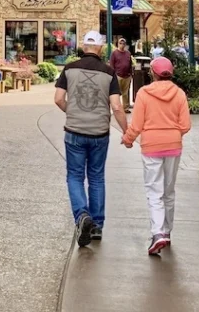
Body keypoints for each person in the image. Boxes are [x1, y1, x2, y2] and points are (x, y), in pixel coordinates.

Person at [54, 30, 129, 248]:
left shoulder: (69, 69)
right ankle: (96, 225)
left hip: (74, 131)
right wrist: (127, 131)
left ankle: (81, 216)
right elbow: (116, 106)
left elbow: (58, 99)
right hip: (99, 133)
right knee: (96, 178)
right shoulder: (108, 72)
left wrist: (73, 111)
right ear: (100, 48)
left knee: (75, 177)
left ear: (84, 46)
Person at [122, 56, 191, 256]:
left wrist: (128, 139)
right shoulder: (179, 94)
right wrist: (173, 133)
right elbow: (185, 125)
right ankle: (167, 232)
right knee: (169, 191)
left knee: (154, 192)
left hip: (151, 146)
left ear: (152, 73)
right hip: (173, 146)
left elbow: (136, 124)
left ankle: (157, 233)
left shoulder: (143, 93)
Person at [110, 37, 134, 112]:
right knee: (117, 93)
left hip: (127, 76)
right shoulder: (114, 53)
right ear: (118, 44)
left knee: (125, 93)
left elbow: (130, 63)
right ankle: (117, 108)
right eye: (120, 43)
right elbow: (112, 64)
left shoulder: (128, 53)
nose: (122, 44)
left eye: (124, 43)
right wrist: (113, 75)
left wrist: (131, 74)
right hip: (118, 75)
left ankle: (125, 108)